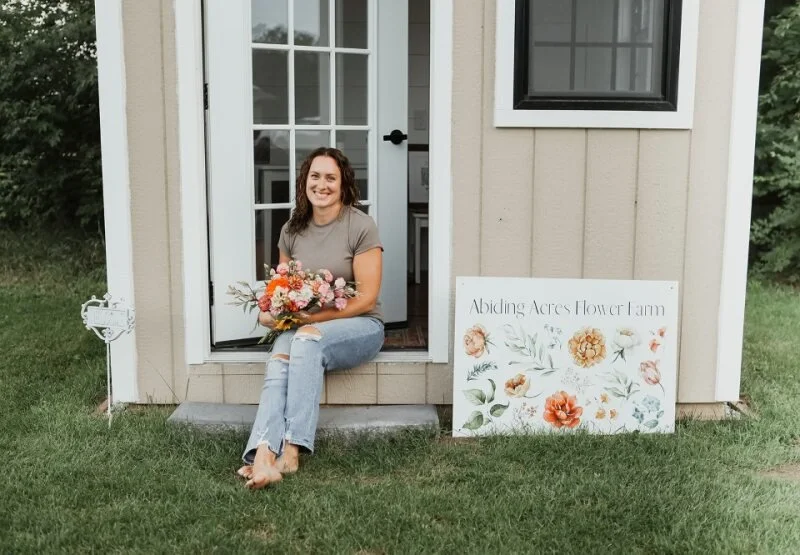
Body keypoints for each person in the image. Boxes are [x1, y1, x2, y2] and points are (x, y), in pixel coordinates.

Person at [237, 147, 385, 489]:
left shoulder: (360, 226)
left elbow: (366, 298)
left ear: (344, 185)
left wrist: (307, 322)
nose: (322, 184)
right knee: (279, 358)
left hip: (360, 326)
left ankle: (291, 449)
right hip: (307, 325)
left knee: (304, 339)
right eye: (315, 177)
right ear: (304, 182)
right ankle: (262, 455)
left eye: (330, 178)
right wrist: (269, 312)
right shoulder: (292, 229)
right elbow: (282, 288)